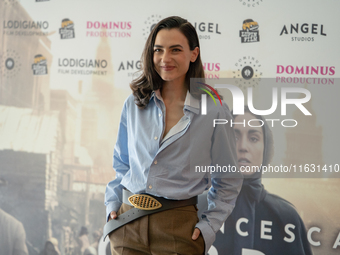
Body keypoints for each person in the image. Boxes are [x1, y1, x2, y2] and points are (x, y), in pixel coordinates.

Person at [104, 16, 242, 255]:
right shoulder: (134, 103)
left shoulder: (215, 109)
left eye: (175, 50)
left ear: (193, 54)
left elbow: (228, 178)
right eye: (158, 50)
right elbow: (122, 163)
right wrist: (112, 206)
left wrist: (209, 227)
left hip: (179, 230)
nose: (165, 59)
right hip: (127, 223)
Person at [204, 107, 313, 255]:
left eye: (253, 138)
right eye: (234, 137)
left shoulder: (286, 217)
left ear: (265, 149)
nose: (243, 147)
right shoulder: (192, 208)